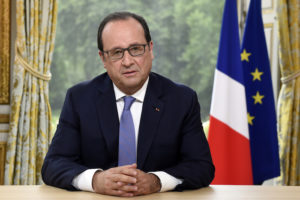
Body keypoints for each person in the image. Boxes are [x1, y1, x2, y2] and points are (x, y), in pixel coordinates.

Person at [42, 11, 214, 197]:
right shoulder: (79, 98)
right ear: (103, 59)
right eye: (117, 53)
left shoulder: (182, 99)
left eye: (136, 49)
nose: (127, 61)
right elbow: (53, 164)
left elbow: (201, 167)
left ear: (150, 49)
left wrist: (156, 181)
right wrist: (95, 180)